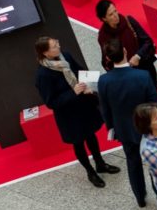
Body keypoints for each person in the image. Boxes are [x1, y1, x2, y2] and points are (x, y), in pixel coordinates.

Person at [34, 36, 120, 188]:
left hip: (83, 106)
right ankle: (90, 171)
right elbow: (51, 102)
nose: (58, 46)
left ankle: (100, 163)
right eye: (54, 46)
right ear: (45, 53)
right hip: (69, 115)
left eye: (57, 43)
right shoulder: (43, 75)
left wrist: (88, 85)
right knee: (78, 143)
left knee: (91, 135)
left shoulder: (65, 56)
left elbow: (81, 72)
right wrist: (73, 92)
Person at [99, 38, 157, 207]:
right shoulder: (142, 75)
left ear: (109, 58)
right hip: (147, 127)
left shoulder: (104, 81)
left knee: (132, 163)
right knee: (154, 163)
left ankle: (140, 198)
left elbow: (105, 109)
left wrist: (111, 128)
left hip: (124, 130)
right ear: (125, 52)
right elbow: (155, 103)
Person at [96, 0, 157, 88]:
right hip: (128, 77)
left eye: (115, 11)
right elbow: (106, 61)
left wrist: (138, 56)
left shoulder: (129, 21)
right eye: (111, 14)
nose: (115, 15)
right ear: (104, 18)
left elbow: (148, 41)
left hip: (145, 68)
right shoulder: (103, 37)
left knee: (154, 97)